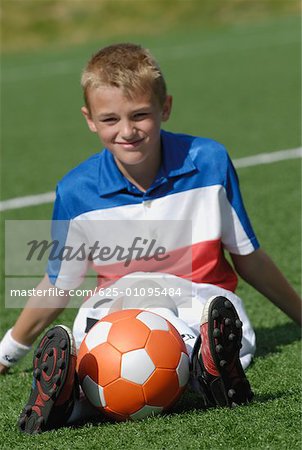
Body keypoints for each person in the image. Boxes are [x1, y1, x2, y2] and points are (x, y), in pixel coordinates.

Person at [0, 43, 300, 434]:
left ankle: (199, 364)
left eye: (140, 115)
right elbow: (60, 283)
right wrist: (8, 351)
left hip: (200, 303)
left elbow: (248, 256)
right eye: (110, 119)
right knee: (102, 339)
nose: (127, 131)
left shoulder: (209, 162)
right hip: (115, 308)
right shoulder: (76, 190)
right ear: (90, 119)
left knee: (203, 326)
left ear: (166, 108)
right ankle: (76, 394)